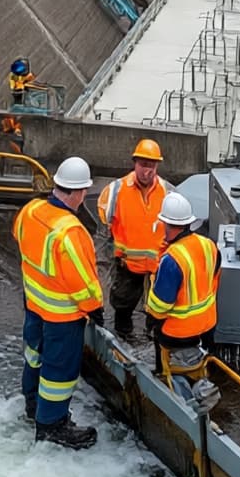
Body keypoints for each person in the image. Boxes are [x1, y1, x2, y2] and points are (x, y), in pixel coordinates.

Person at [12, 157, 105, 449]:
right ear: (79, 193)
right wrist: (95, 309)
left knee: (34, 356)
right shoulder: (71, 231)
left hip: (34, 305)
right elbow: (83, 281)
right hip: (61, 317)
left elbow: (19, 238)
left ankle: (32, 406)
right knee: (59, 372)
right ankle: (51, 425)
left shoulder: (31, 210)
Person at [97, 137, 171, 334]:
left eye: (151, 165)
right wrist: (104, 267)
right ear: (134, 163)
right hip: (127, 266)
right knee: (122, 309)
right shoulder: (115, 191)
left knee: (156, 313)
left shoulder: (167, 192)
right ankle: (123, 338)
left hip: (156, 268)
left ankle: (151, 340)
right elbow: (103, 233)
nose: (147, 170)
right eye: (143, 164)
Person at [146, 192, 221, 381]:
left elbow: (160, 306)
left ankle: (163, 376)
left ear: (166, 224)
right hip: (208, 324)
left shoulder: (172, 259)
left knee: (157, 330)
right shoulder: (208, 245)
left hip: (178, 333)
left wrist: (151, 318)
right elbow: (214, 275)